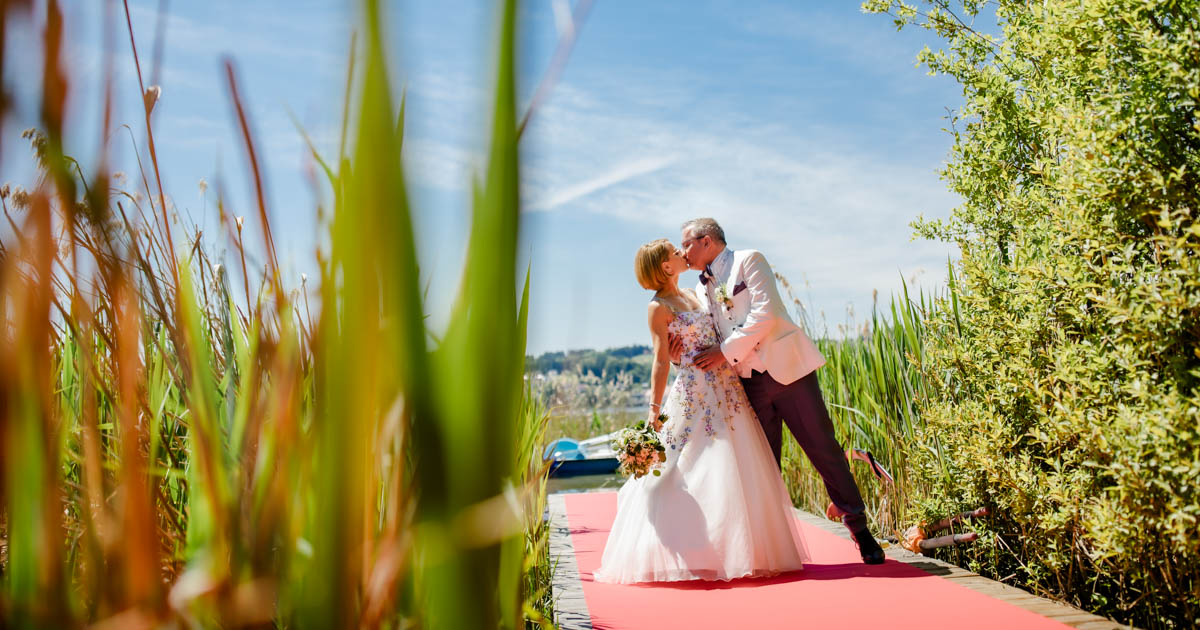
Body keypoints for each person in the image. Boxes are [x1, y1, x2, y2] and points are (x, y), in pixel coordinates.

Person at [592, 239, 810, 584]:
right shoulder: (658, 307)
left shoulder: (694, 295)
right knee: (682, 465)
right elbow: (662, 360)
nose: (682, 254)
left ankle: (737, 550)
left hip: (726, 387)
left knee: (735, 466)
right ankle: (685, 550)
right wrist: (653, 407)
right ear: (665, 267)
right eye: (674, 252)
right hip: (693, 390)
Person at [677, 217, 885, 564]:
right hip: (746, 384)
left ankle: (860, 530)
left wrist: (725, 352)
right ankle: (771, 547)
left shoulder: (749, 260)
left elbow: (767, 314)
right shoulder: (699, 290)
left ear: (706, 241)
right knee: (763, 466)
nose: (682, 251)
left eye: (685, 243)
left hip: (788, 372)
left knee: (824, 450)